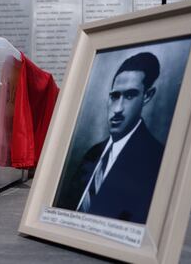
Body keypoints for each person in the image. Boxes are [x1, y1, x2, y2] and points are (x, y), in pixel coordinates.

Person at [54, 52, 164, 224]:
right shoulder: (92, 154)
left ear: (147, 96)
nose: (118, 109)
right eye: (114, 96)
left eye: (129, 96)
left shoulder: (157, 159)